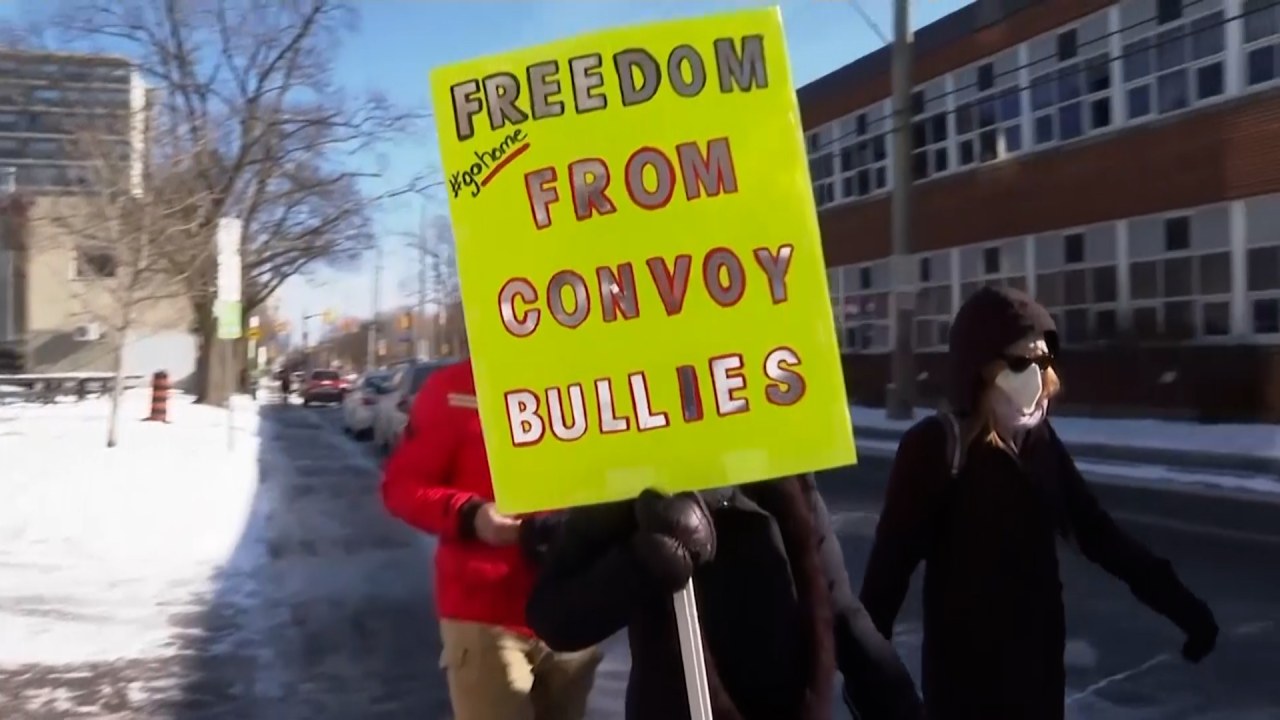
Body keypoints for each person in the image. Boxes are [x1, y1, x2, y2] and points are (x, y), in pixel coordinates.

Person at [859, 286, 1219, 720]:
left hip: (1039, 684)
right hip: (966, 694)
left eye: (1044, 361)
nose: (1039, 377)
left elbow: (1098, 533)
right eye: (1020, 363)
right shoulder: (935, 448)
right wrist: (872, 693)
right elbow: (885, 580)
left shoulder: (1039, 442)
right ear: (979, 367)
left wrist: (1184, 608)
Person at [525, 475, 925, 720]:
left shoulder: (787, 479)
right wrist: (644, 559)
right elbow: (555, 616)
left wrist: (904, 708)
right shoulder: (635, 482)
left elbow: (840, 611)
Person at [381, 358, 602, 720]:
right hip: (486, 617)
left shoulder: (593, 379)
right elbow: (402, 487)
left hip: (574, 606)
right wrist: (471, 515)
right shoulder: (453, 388)